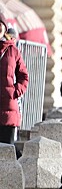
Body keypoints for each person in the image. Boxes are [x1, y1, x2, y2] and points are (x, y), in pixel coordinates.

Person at [0, 12, 29, 158]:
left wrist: (14, 92)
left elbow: (24, 76)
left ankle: (16, 176)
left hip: (8, 108)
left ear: (4, 28)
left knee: (7, 151)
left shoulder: (13, 50)